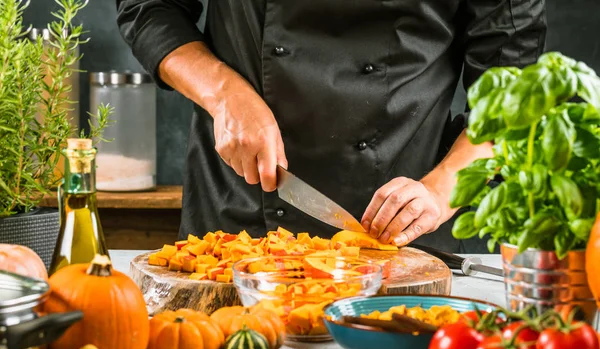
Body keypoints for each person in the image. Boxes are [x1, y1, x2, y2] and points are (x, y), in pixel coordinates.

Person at [116, 0, 546, 253]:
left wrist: (439, 190)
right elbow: (150, 7)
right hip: (239, 223)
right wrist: (223, 92)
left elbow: (513, 86)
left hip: (403, 235)